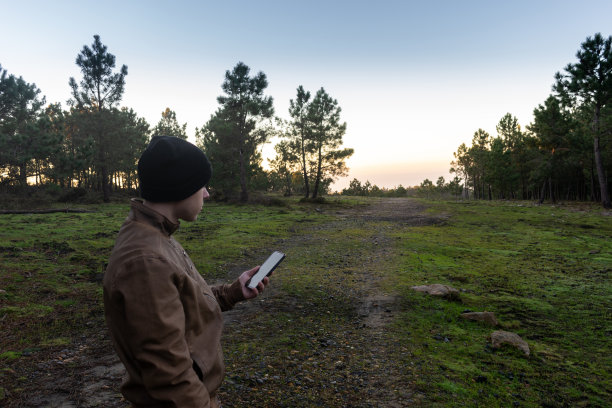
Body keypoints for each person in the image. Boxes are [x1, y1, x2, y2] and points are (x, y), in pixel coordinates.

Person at [103, 136, 270, 408]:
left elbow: (184, 308)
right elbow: (170, 377)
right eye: (201, 185)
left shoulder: (155, 235)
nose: (206, 193)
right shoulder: (146, 260)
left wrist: (232, 292)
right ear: (179, 186)